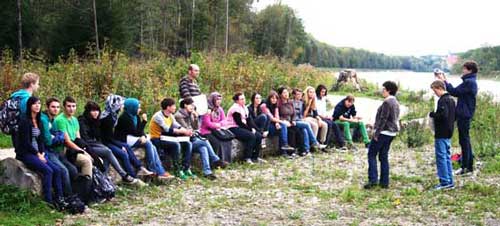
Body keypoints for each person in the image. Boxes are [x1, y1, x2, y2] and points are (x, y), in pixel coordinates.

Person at [15, 96, 65, 207]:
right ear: (30, 106)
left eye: (39, 103)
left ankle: (60, 199)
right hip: (26, 153)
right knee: (48, 171)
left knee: (57, 170)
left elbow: (41, 140)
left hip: (38, 153)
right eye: (35, 104)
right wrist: (38, 154)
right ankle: (48, 201)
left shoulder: (39, 121)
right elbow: (26, 143)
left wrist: (42, 152)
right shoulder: (24, 121)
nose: (37, 106)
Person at [78, 101, 141, 185]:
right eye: (93, 111)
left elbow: (98, 137)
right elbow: (87, 139)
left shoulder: (96, 120)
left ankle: (104, 181)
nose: (96, 113)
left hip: (99, 144)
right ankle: (125, 175)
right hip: (87, 146)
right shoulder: (84, 121)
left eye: (97, 110)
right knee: (110, 152)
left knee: (108, 156)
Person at [114, 98, 173, 180]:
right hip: (125, 139)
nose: (139, 109)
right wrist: (144, 121)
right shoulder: (125, 118)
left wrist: (143, 136)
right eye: (138, 108)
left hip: (133, 137)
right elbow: (136, 132)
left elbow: (140, 131)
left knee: (153, 146)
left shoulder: (135, 116)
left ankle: (160, 170)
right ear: (132, 108)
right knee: (148, 143)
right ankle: (153, 169)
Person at [437, 61, 478, 176]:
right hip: (465, 114)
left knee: (464, 140)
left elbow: (454, 91)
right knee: (465, 140)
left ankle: (466, 167)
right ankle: (467, 166)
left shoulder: (469, 82)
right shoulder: (470, 82)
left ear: (469, 70)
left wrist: (444, 81)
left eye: (464, 69)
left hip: (464, 115)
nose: (462, 71)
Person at [99, 94, 153, 178]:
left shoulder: (113, 115)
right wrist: (120, 145)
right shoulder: (108, 118)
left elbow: (139, 131)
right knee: (123, 153)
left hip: (111, 140)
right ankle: (132, 176)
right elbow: (107, 137)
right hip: (105, 142)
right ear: (115, 106)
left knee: (127, 147)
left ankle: (140, 168)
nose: (122, 107)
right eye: (120, 104)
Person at [175, 98, 229, 180]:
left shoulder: (190, 114)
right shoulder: (179, 116)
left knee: (203, 148)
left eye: (193, 105)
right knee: (205, 141)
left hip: (191, 138)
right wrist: (193, 130)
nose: (192, 107)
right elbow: (186, 129)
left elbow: (196, 128)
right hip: (184, 140)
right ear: (185, 105)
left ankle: (207, 172)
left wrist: (196, 118)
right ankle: (216, 160)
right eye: (191, 105)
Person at [364, 81, 400, 189]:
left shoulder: (387, 102)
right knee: (383, 156)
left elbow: (383, 119)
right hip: (392, 132)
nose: (382, 91)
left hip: (384, 131)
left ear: (389, 90)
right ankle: (384, 182)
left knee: (371, 154)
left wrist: (376, 133)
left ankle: (373, 180)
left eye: (383, 89)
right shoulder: (396, 102)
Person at [149, 98, 194, 180]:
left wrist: (186, 131)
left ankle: (186, 168)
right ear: (168, 107)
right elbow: (167, 129)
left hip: (166, 137)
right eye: (173, 106)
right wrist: (182, 132)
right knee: (175, 145)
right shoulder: (158, 116)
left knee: (188, 144)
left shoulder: (170, 116)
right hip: (157, 138)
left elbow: (177, 125)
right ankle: (177, 170)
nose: (175, 108)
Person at [53, 97, 93, 181]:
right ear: (64, 107)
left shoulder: (74, 119)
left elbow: (78, 139)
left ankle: (100, 185)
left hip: (74, 148)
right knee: (87, 161)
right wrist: (82, 151)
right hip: (65, 150)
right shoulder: (60, 120)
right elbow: (67, 141)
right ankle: (86, 189)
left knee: (97, 159)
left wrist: (84, 149)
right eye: (69, 106)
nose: (71, 109)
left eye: (73, 106)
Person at [279, 87, 325, 157]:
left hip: (296, 120)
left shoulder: (297, 103)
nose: (299, 96)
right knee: (306, 125)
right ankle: (314, 142)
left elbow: (293, 113)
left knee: (304, 130)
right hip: (290, 122)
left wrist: (293, 119)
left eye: (300, 94)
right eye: (297, 94)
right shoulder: (290, 102)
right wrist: (293, 120)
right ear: (294, 95)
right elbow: (281, 114)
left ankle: (306, 150)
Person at [41, 97, 73, 195]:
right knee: (64, 171)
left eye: (58, 107)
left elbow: (58, 136)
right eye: (53, 107)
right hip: (46, 151)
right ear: (47, 107)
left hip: (55, 150)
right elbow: (48, 141)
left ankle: (79, 194)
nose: (56, 109)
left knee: (73, 170)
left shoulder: (53, 120)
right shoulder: (44, 119)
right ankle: (68, 197)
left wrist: (57, 137)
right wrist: (58, 138)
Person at [429, 80, 456, 190]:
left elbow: (443, 115)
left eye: (434, 90)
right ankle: (450, 180)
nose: (434, 93)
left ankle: (444, 181)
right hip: (449, 131)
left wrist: (433, 114)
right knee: (447, 157)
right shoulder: (452, 100)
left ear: (439, 88)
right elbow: (455, 116)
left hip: (441, 132)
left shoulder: (443, 100)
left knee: (441, 157)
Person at [226, 92, 266, 164]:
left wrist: (255, 129)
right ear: (237, 101)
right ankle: (247, 157)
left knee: (259, 136)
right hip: (233, 127)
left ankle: (255, 157)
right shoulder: (235, 108)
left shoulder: (244, 108)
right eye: (241, 99)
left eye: (244, 99)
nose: (243, 100)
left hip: (242, 126)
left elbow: (249, 121)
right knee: (251, 136)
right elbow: (239, 122)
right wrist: (250, 130)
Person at [200, 92, 233, 162]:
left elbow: (224, 120)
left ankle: (225, 160)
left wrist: (219, 124)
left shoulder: (219, 109)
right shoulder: (207, 110)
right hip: (207, 131)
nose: (219, 101)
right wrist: (217, 125)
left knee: (226, 140)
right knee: (216, 142)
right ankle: (215, 162)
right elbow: (207, 123)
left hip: (217, 130)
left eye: (220, 100)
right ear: (213, 100)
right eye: (217, 99)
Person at [10, 72, 40, 149]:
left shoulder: (15, 96)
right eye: (37, 83)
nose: (38, 86)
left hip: (14, 127)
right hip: (23, 131)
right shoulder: (26, 99)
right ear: (31, 84)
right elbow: (26, 116)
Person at [315, 84, 346, 150]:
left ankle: (341, 143)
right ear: (318, 91)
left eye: (324, 92)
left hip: (324, 116)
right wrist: (323, 116)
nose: (323, 93)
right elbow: (316, 111)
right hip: (317, 116)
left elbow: (324, 110)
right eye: (322, 92)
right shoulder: (315, 99)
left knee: (334, 124)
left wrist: (327, 116)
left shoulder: (323, 99)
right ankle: (324, 143)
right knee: (329, 124)